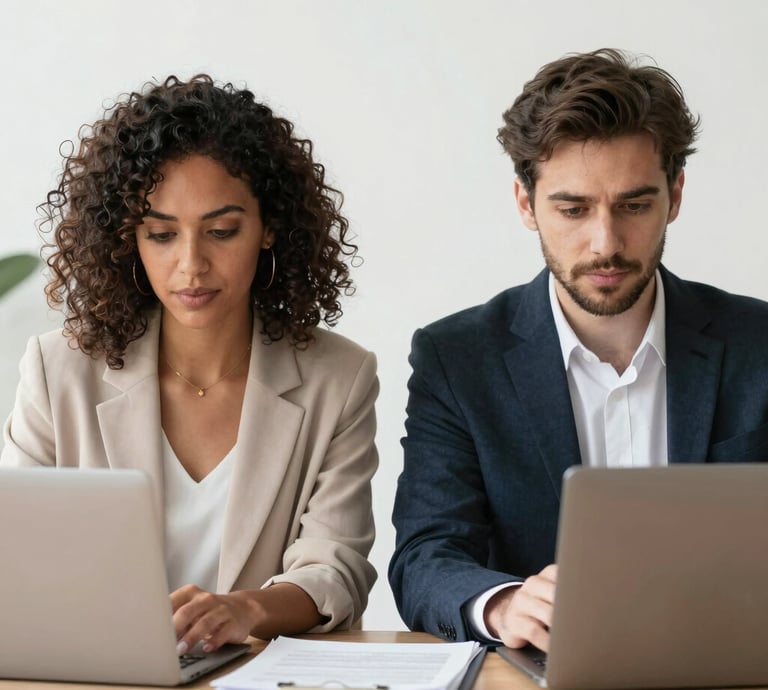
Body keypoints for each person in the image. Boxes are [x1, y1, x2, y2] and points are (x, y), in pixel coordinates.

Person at [389, 48, 768, 652]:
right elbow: (425, 557)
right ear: (525, 204)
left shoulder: (758, 344)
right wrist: (505, 604)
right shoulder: (457, 359)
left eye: (635, 205)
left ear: (675, 196)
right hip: (540, 671)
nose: (606, 243)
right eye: (572, 209)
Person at [1, 74, 378, 654]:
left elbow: (336, 570)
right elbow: (17, 558)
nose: (191, 265)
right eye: (161, 235)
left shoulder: (339, 378)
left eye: (222, 231)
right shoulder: (59, 372)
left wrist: (245, 608)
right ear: (130, 239)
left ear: (269, 226)